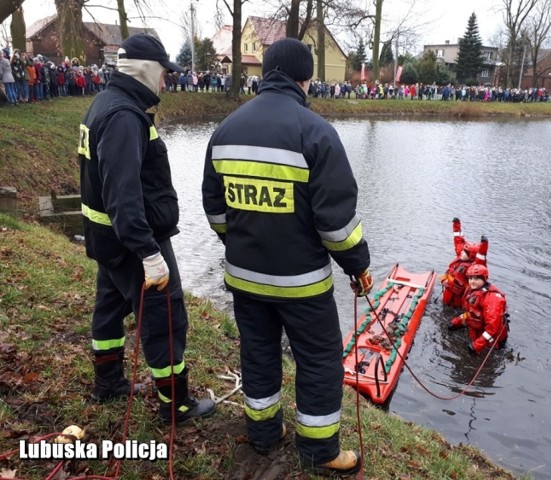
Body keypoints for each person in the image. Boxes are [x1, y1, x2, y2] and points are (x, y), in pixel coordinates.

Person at [202, 37, 372, 476]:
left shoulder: (226, 130)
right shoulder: (316, 132)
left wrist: (239, 244)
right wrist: (358, 266)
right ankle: (318, 452)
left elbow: (215, 210)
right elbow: (336, 224)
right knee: (318, 360)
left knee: (258, 354)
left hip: (243, 278)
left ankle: (263, 433)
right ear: (305, 78)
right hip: (302, 285)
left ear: (265, 73)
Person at [78, 33, 215, 423]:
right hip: (135, 243)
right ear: (145, 70)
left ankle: (108, 383)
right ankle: (176, 405)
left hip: (107, 240)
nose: (165, 82)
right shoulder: (124, 116)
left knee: (109, 307)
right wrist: (148, 252)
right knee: (164, 320)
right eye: (163, 74)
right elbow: (123, 193)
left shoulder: (105, 103)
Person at [448, 264, 509, 354]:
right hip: (477, 331)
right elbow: (470, 313)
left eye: (476, 279)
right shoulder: (473, 291)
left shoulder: (491, 298)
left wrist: (477, 345)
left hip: (492, 341)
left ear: (484, 279)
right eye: (470, 278)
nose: (472, 282)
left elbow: (493, 328)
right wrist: (457, 322)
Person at [440, 217, 488, 308]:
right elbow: (458, 241)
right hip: (448, 293)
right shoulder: (461, 256)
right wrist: (456, 225)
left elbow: (481, 261)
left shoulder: (473, 268)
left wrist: (484, 245)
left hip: (458, 299)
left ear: (470, 256)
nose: (461, 252)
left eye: (465, 251)